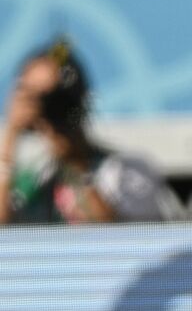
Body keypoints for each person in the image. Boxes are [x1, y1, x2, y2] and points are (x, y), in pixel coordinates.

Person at [1, 40, 182, 224]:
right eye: (32, 95)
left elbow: (119, 241)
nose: (45, 107)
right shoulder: (33, 179)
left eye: (54, 97)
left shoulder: (127, 172)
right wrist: (10, 137)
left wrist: (77, 165)